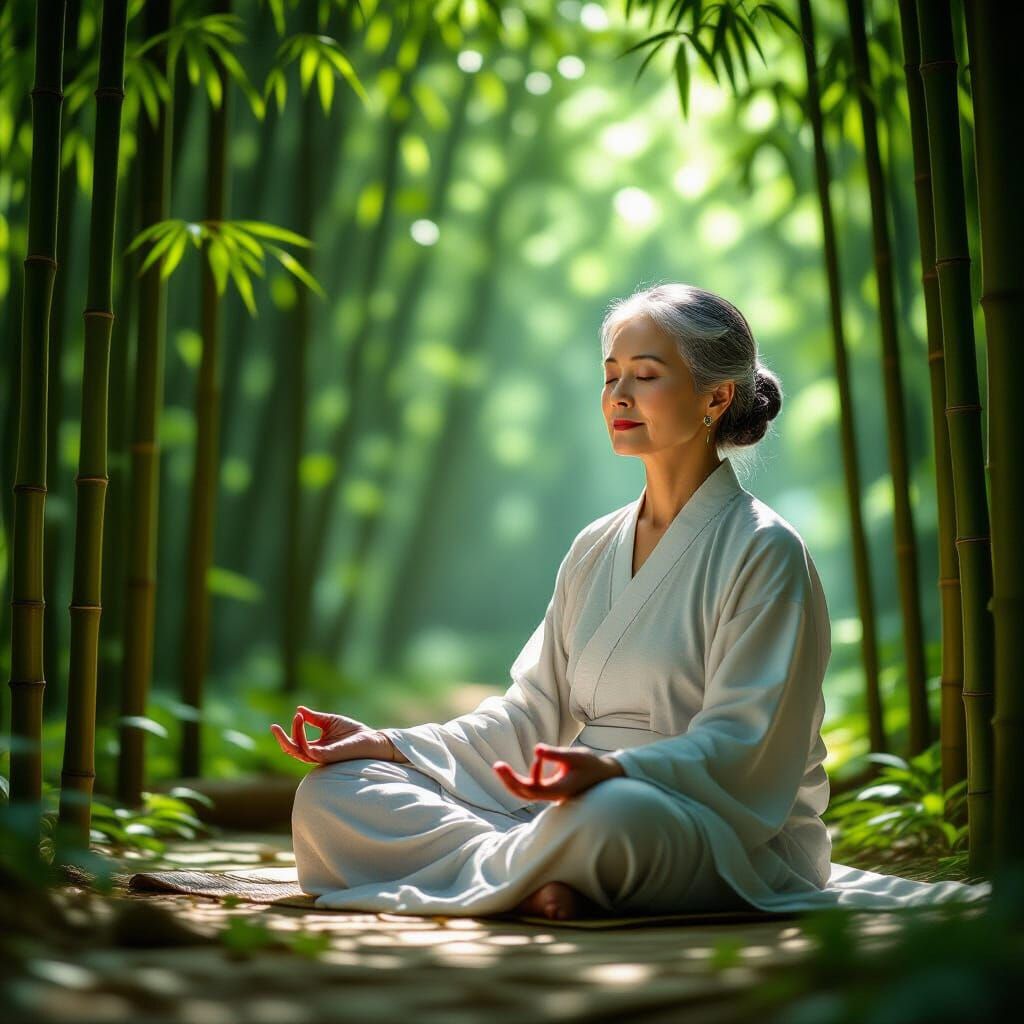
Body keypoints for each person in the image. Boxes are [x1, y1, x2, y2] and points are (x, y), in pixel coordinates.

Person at [272, 282, 989, 920]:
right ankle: (542, 878)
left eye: (645, 376)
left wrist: (617, 770)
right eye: (611, 375)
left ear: (717, 397)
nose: (618, 396)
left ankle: (528, 870)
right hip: (564, 807)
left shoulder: (764, 550)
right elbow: (529, 714)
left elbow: (745, 749)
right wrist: (393, 745)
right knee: (336, 796)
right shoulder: (593, 546)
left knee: (607, 820)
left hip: (700, 825)